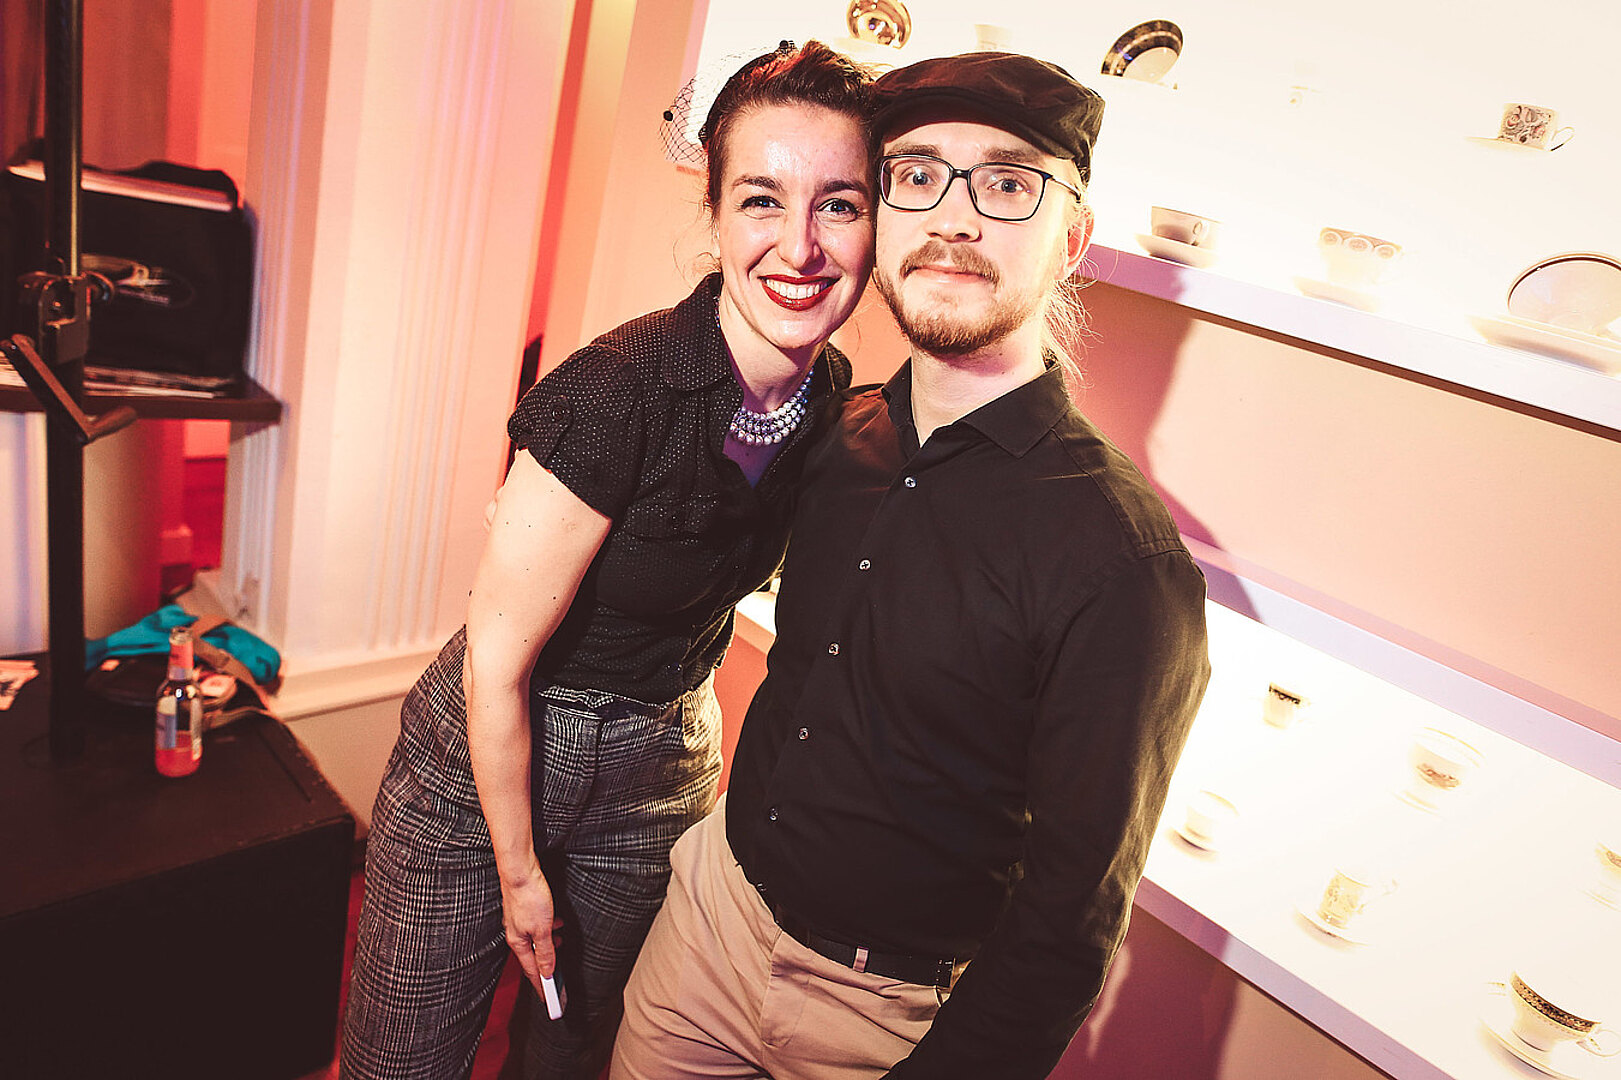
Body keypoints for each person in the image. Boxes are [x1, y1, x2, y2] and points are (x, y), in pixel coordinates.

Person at [611, 51, 1213, 1080]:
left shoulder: (1122, 562)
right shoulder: (832, 433)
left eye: (1008, 183)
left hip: (885, 1019)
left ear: (1071, 238)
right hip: (707, 927)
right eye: (917, 176)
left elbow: (1071, 917)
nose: (954, 219)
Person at [339, 41, 876, 1080]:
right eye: (761, 200)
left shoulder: (827, 398)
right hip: (492, 759)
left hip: (660, 766)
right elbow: (495, 665)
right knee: (402, 1062)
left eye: (839, 205)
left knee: (569, 1052)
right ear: (714, 213)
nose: (801, 246)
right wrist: (519, 876)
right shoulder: (616, 390)